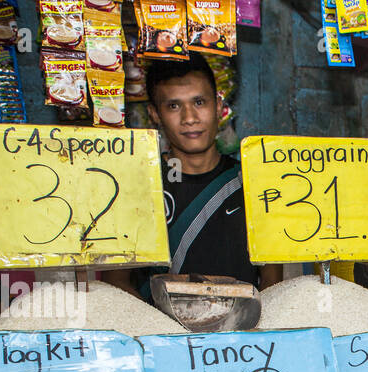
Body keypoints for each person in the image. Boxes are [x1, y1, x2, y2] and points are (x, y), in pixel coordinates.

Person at [113, 53, 279, 298]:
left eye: (199, 102)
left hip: (243, 334)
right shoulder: (139, 189)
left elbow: (272, 283)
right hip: (160, 334)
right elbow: (117, 284)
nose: (189, 118)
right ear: (155, 114)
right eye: (174, 106)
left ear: (219, 106)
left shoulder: (252, 185)